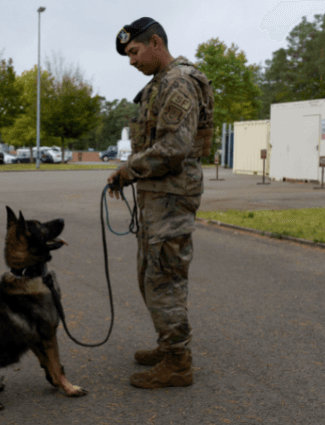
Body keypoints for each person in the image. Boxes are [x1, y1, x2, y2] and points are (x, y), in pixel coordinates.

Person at [108, 17, 214, 389]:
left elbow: (173, 148)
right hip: (158, 197)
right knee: (151, 275)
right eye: (128, 55)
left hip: (171, 197)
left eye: (134, 52)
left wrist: (128, 170)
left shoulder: (178, 81)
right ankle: (169, 346)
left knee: (164, 279)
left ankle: (177, 363)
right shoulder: (161, 83)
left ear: (155, 43)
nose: (132, 61)